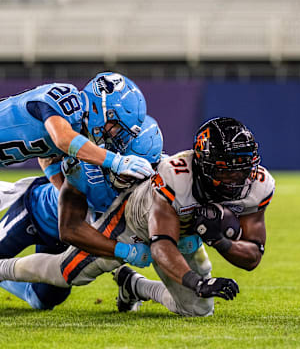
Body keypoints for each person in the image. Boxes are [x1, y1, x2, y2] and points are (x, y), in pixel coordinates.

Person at [0, 117, 275, 317]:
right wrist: (195, 281)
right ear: (204, 165)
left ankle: (134, 285)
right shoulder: (174, 177)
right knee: (66, 273)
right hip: (134, 220)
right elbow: (161, 245)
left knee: (197, 308)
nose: (238, 179)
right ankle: (3, 269)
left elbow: (253, 255)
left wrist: (221, 241)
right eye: (227, 171)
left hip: (185, 230)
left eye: (243, 169)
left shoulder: (258, 185)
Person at [0, 115, 163, 310]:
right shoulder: (86, 164)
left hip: (69, 239)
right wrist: (127, 252)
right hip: (38, 215)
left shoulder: (154, 179)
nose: (131, 176)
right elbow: (70, 229)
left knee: (41, 301)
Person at [0, 72, 154, 182]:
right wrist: (117, 161)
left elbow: (48, 156)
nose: (114, 134)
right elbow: (63, 139)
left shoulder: (76, 128)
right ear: (101, 107)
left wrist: (62, 194)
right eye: (116, 126)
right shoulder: (67, 97)